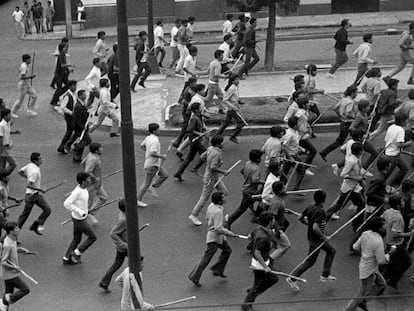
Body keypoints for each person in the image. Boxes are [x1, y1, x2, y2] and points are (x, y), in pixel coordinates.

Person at [287, 190, 336, 291]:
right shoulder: (320, 211)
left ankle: (325, 274)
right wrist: (324, 237)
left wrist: (308, 224)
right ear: (324, 199)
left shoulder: (310, 207)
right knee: (310, 261)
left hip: (312, 237)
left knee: (331, 251)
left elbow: (300, 217)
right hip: (317, 239)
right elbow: (315, 227)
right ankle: (293, 277)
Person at [188, 192, 238, 286]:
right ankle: (194, 276)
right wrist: (229, 233)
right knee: (206, 258)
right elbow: (218, 228)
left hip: (217, 236)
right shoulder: (218, 211)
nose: (225, 199)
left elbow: (208, 217)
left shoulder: (212, 206)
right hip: (214, 237)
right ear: (220, 201)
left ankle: (218, 269)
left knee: (227, 250)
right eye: (223, 198)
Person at [344, 217, 389, 311]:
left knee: (382, 284)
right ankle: (349, 309)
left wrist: (365, 253)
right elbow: (381, 260)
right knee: (361, 293)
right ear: (379, 228)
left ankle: (363, 302)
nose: (386, 226)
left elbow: (355, 247)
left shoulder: (365, 234)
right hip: (369, 271)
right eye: (384, 225)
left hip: (367, 266)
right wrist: (390, 254)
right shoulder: (378, 241)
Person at [242, 212, 278, 311]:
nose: (274, 221)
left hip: (265, 260)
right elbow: (257, 253)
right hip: (260, 265)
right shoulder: (263, 238)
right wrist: (265, 267)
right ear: (270, 222)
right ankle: (246, 304)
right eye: (273, 219)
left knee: (273, 279)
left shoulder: (258, 228)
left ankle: (254, 290)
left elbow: (250, 236)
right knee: (270, 280)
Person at [189, 135, 228, 226]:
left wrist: (214, 162)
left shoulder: (210, 148)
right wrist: (223, 171)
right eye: (222, 142)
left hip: (214, 177)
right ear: (218, 144)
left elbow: (203, 157)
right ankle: (193, 215)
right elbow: (213, 167)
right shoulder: (217, 153)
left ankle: (212, 210)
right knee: (204, 198)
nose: (223, 144)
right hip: (211, 178)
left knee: (224, 192)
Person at [63, 172, 97, 265]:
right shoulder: (77, 192)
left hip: (79, 218)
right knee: (92, 237)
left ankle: (66, 258)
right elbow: (67, 203)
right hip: (79, 220)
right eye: (88, 179)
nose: (90, 180)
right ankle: (76, 253)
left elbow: (81, 203)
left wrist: (86, 210)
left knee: (76, 239)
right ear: (83, 181)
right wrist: (80, 211)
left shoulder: (84, 189)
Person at [326, 143, 365, 221]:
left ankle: (357, 221)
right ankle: (323, 218)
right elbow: (343, 174)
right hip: (348, 187)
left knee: (360, 204)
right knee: (339, 205)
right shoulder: (351, 161)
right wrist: (356, 178)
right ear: (360, 151)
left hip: (354, 187)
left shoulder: (355, 159)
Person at [381, 195, 412, 289]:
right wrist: (409, 234)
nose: (404, 203)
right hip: (396, 244)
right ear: (398, 205)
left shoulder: (388, 211)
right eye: (402, 202)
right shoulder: (398, 217)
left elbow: (383, 221)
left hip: (390, 242)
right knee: (393, 265)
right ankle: (381, 285)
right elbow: (396, 234)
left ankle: (392, 280)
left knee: (406, 261)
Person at [319, 85, 357, 162]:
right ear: (352, 93)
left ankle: (353, 151)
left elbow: (335, 108)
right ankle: (325, 152)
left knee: (353, 138)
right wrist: (355, 118)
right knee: (345, 140)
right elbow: (348, 113)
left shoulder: (344, 99)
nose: (356, 94)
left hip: (343, 122)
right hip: (348, 123)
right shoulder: (350, 102)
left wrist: (340, 115)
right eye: (356, 93)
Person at [16, 153, 51, 236]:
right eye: (40, 158)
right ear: (36, 161)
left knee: (47, 210)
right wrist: (41, 189)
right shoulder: (35, 172)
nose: (42, 160)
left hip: (36, 195)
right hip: (31, 196)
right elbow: (29, 185)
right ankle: (12, 234)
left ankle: (36, 225)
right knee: (23, 217)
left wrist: (27, 177)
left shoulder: (30, 165)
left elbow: (20, 172)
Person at [227, 149, 263, 229]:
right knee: (241, 209)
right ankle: (228, 221)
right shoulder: (256, 168)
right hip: (250, 191)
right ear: (258, 159)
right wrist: (264, 182)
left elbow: (242, 171)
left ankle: (252, 205)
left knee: (260, 198)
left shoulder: (247, 163)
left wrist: (247, 177)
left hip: (246, 189)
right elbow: (255, 180)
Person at [99, 199, 128, 292]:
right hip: (126, 246)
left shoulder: (124, 215)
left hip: (124, 245)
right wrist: (123, 244)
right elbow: (113, 233)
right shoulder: (123, 220)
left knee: (117, 263)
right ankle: (125, 282)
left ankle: (104, 282)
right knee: (138, 261)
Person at [136, 123, 168, 208]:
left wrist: (147, 151)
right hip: (152, 165)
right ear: (154, 130)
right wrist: (162, 156)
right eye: (158, 129)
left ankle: (153, 186)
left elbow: (142, 146)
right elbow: (152, 153)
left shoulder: (148, 138)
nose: (159, 131)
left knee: (165, 175)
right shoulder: (155, 141)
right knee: (146, 184)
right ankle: (138, 200)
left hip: (154, 164)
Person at [0, 222, 30, 311]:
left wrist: (19, 249)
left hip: (9, 273)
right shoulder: (7, 244)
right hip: (10, 274)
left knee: (8, 294)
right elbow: (3, 262)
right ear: (10, 231)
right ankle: (4, 300)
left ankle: (3, 305)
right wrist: (15, 268)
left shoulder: (12, 239)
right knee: (25, 289)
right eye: (16, 229)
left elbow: (12, 250)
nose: (19, 229)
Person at [173, 102, 206, 182]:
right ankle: (196, 168)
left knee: (189, 158)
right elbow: (189, 130)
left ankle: (178, 173)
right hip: (196, 141)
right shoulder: (194, 118)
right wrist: (200, 134)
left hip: (194, 141)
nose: (202, 108)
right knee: (207, 153)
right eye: (200, 107)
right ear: (197, 110)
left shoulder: (198, 116)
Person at [383, 112, 410, 190]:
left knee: (404, 169)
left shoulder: (391, 127)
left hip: (388, 151)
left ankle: (393, 185)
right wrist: (408, 144)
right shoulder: (401, 130)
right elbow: (399, 144)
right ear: (402, 122)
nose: (407, 122)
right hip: (393, 155)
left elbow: (386, 139)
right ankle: (382, 188)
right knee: (386, 174)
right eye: (406, 121)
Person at [82, 142, 107, 224]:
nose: (102, 149)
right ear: (96, 151)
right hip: (92, 184)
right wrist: (95, 178)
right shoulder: (93, 159)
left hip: (97, 183)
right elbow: (87, 171)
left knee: (104, 197)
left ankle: (91, 213)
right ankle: (81, 220)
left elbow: (83, 163)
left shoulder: (92, 155)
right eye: (100, 148)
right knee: (89, 202)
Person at [215, 75, 245, 143]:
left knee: (225, 123)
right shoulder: (231, 88)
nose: (238, 80)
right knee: (242, 123)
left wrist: (239, 101)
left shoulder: (236, 87)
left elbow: (234, 97)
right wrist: (232, 106)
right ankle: (233, 136)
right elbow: (225, 99)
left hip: (234, 108)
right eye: (236, 79)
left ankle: (216, 137)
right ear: (232, 81)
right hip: (232, 110)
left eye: (238, 79)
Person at [268, 181, 291, 264]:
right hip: (276, 227)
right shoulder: (276, 202)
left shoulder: (279, 198)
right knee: (286, 245)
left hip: (278, 226)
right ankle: (271, 258)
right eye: (283, 187)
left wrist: (284, 210)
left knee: (276, 243)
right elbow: (272, 217)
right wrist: (277, 230)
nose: (285, 188)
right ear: (279, 191)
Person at [67, 89, 92, 162]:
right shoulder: (78, 106)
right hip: (79, 127)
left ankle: (77, 157)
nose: (86, 96)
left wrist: (87, 114)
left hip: (82, 126)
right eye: (84, 94)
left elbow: (83, 113)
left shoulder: (82, 104)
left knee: (83, 141)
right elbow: (77, 118)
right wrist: (82, 126)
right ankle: (76, 147)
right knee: (88, 140)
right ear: (80, 95)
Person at [11, 53, 37, 118]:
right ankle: (12, 112)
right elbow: (21, 77)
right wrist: (31, 76)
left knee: (34, 96)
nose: (30, 60)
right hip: (23, 85)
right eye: (29, 59)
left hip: (27, 84)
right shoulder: (24, 66)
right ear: (25, 60)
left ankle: (30, 109)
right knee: (20, 100)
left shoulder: (26, 65)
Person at [57, 80, 77, 155]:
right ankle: (63, 146)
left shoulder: (73, 94)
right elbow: (62, 107)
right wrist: (71, 113)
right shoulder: (68, 96)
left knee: (72, 131)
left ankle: (66, 146)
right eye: (74, 85)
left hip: (72, 115)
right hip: (69, 116)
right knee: (69, 131)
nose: (75, 87)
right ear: (70, 86)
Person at [0, 109, 17, 177]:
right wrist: (3, 150)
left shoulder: (8, 123)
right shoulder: (1, 125)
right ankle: (3, 175)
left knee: (2, 165)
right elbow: (0, 138)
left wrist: (14, 132)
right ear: (5, 116)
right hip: (3, 148)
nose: (10, 116)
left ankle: (2, 175)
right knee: (13, 164)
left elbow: (6, 133)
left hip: (6, 147)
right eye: (9, 114)